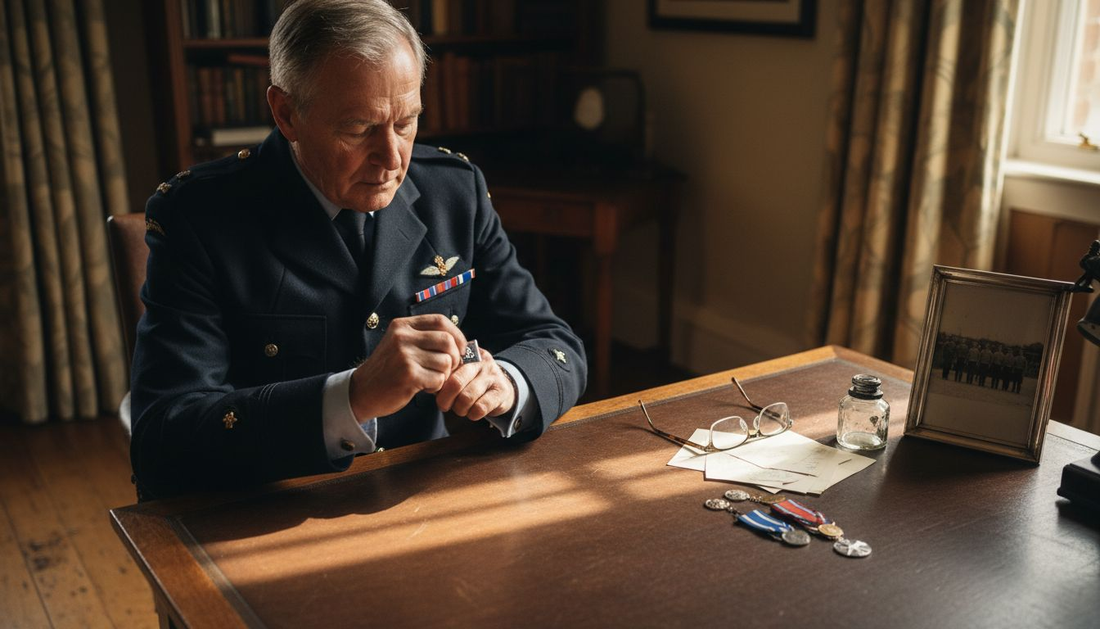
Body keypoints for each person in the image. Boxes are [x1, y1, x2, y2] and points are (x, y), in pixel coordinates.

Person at [128, 0, 587, 499]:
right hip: (268, 512)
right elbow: (163, 437)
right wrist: (352, 396)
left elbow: (554, 344)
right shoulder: (198, 217)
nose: (392, 158)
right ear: (286, 113)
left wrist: (509, 382)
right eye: (358, 129)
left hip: (430, 498)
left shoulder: (454, 191)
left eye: (407, 122)